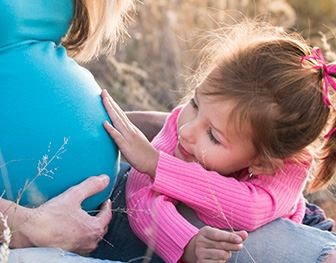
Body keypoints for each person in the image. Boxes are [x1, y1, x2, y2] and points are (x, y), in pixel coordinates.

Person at [0, 0, 246, 262]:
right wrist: (27, 226)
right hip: (25, 236)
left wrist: (165, 131)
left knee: (271, 241)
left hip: (113, 203)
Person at [96, 20, 336, 263]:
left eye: (212, 135)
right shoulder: (182, 127)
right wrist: (186, 243)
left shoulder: (288, 166)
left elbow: (249, 210)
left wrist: (157, 165)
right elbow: (140, 197)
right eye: (195, 104)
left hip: (292, 225)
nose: (187, 131)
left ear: (264, 163)